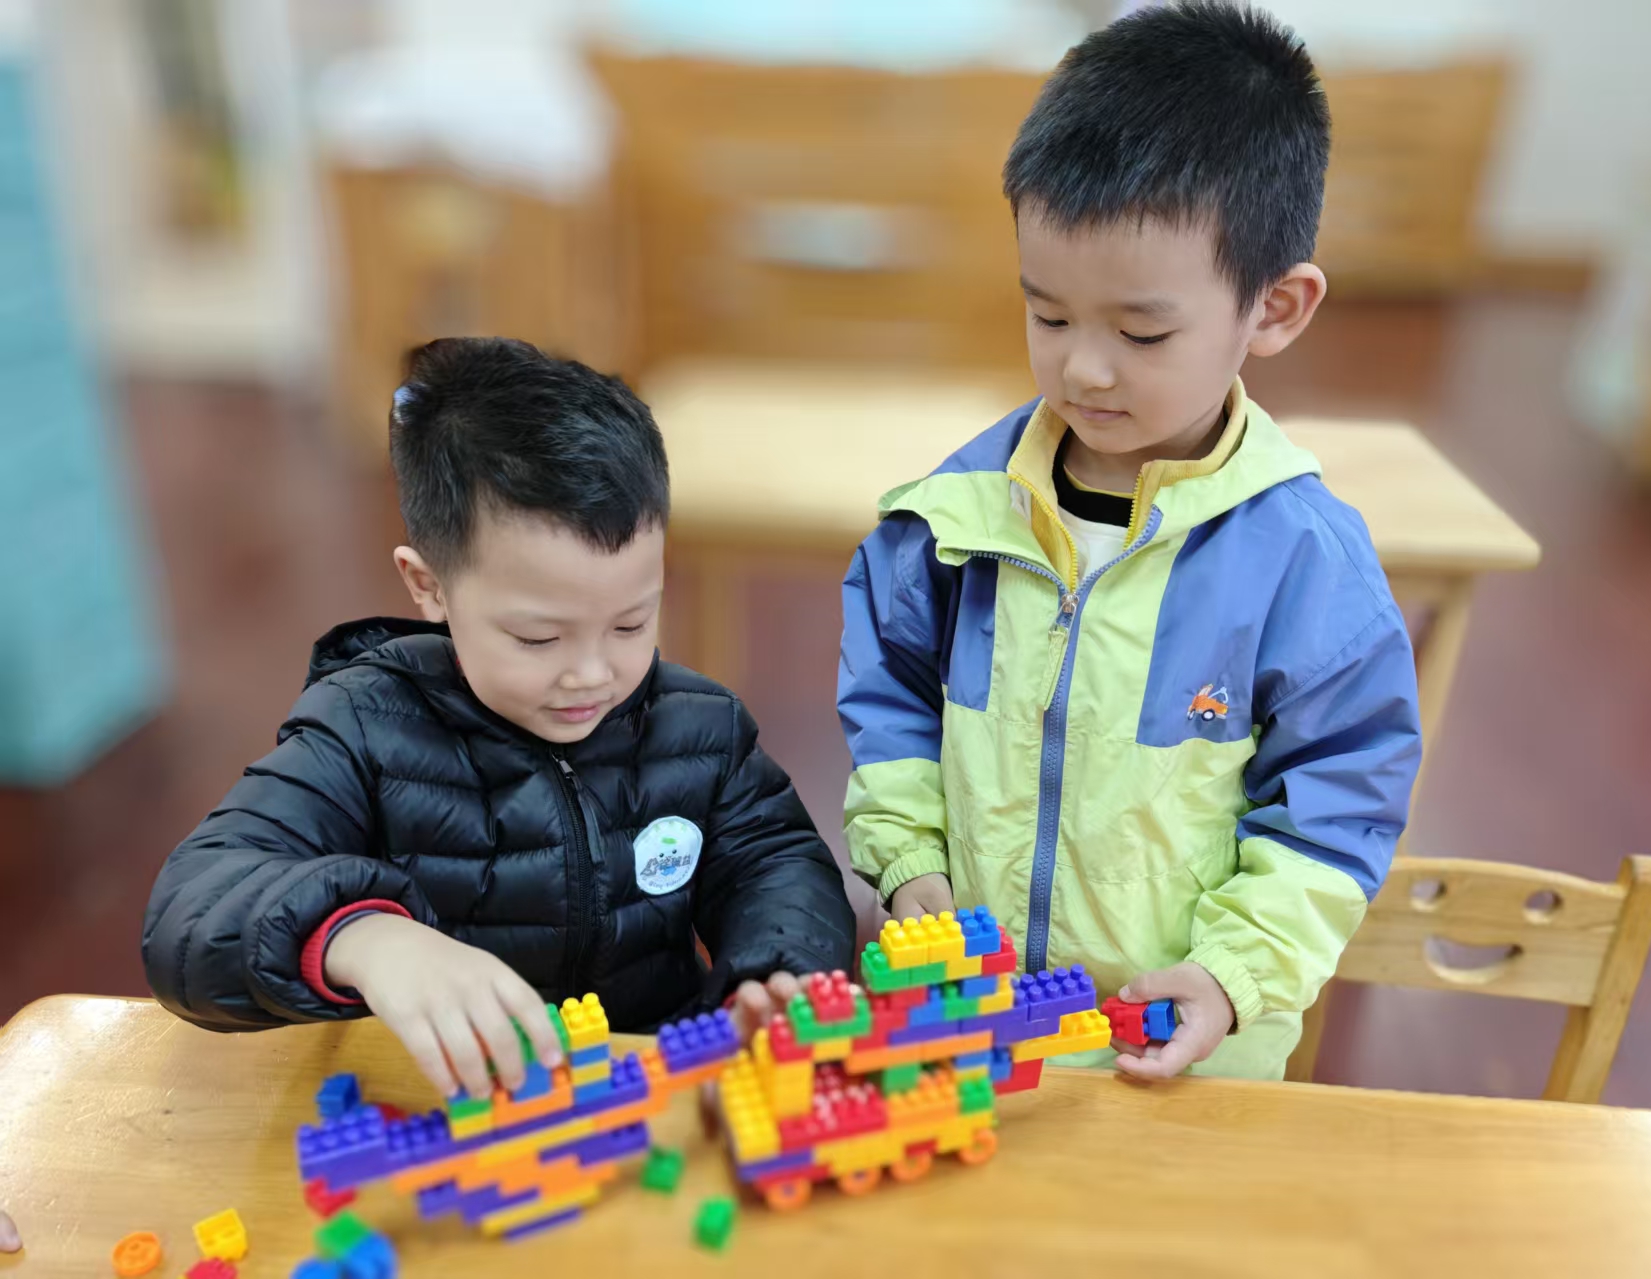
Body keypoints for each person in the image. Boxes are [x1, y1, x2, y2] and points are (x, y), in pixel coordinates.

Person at [838, 2, 1422, 1081]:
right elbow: (892, 709)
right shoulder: (953, 519)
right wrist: (908, 865)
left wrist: (1233, 976)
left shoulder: (1301, 563)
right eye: (1048, 316)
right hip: (969, 1028)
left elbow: (1335, 810)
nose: (1084, 368)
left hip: (1178, 1061)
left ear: (1274, 308)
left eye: (1141, 331)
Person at [144, 337, 856, 1098]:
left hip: (650, 1092)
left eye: (631, 622)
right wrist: (366, 938)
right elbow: (191, 912)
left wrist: (775, 971)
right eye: (538, 638)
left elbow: (776, 862)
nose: (592, 673)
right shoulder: (361, 730)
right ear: (429, 587)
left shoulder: (699, 728)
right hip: (447, 1103)